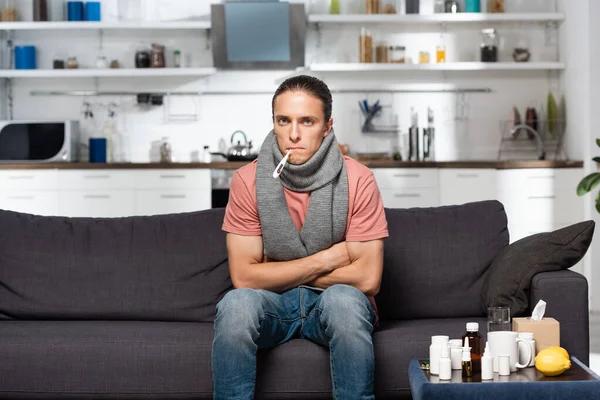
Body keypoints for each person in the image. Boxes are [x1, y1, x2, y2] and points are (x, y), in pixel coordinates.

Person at [212, 75, 389, 400]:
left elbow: (366, 279)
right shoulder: (247, 180)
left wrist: (274, 270)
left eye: (307, 121)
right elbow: (244, 277)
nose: (293, 134)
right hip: (274, 306)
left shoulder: (358, 179)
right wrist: (330, 257)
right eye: (284, 121)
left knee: (344, 300)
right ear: (274, 123)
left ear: (327, 126)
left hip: (333, 304)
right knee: (236, 305)